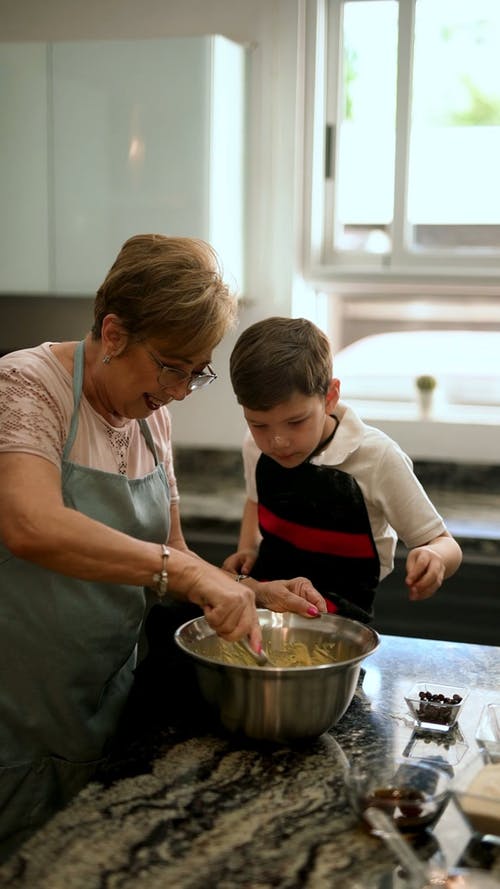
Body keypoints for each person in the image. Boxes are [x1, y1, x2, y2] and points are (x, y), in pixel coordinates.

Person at [0, 237, 325, 862]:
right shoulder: (27, 386)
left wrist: (250, 592)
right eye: (172, 367)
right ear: (115, 333)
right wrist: (190, 574)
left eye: (194, 372)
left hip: (102, 707)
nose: (179, 390)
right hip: (15, 716)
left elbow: (168, 552)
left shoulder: (152, 420)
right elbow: (29, 524)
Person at [223, 316, 463, 623]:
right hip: (267, 606)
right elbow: (255, 502)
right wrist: (249, 549)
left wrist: (435, 558)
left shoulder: (377, 458)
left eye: (296, 422)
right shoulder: (255, 446)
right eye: (258, 424)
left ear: (330, 397)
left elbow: (444, 543)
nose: (277, 441)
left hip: (341, 619)